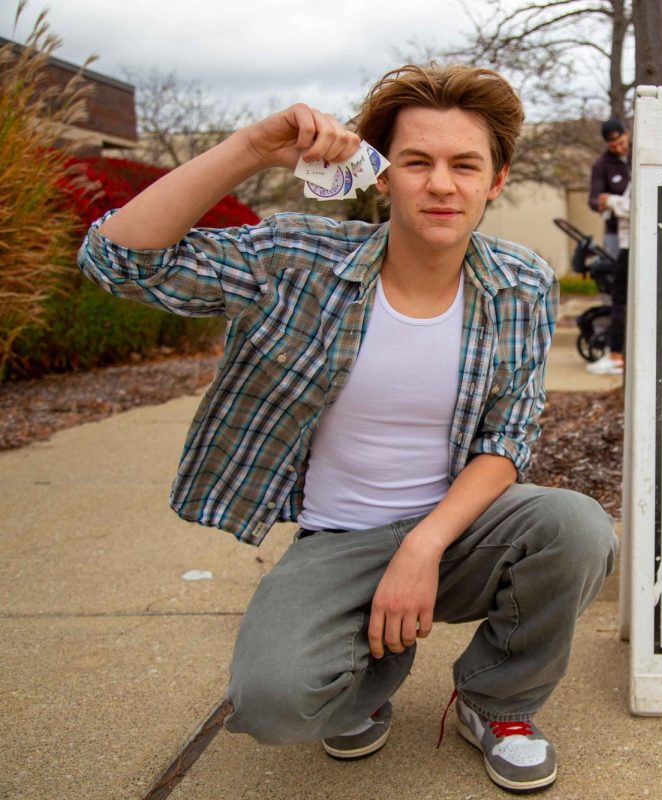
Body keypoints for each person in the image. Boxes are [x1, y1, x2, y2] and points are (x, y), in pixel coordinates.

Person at [76, 64, 617, 794]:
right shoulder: (300, 260)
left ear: (496, 180)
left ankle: (498, 703)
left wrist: (425, 544)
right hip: (338, 539)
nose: (441, 184)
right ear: (382, 176)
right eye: (417, 162)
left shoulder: (519, 282)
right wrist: (252, 147)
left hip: (457, 533)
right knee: (274, 701)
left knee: (577, 526)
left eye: (465, 165)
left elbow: (507, 440)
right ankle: (367, 672)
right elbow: (117, 262)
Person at [586, 118, 630, 376]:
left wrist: (612, 200)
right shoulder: (602, 165)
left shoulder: (639, 156)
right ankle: (610, 340)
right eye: (612, 143)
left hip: (637, 232)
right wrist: (606, 203)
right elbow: (594, 199)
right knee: (613, 287)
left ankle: (619, 349)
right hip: (616, 233)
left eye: (620, 140)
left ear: (627, 133)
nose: (617, 146)